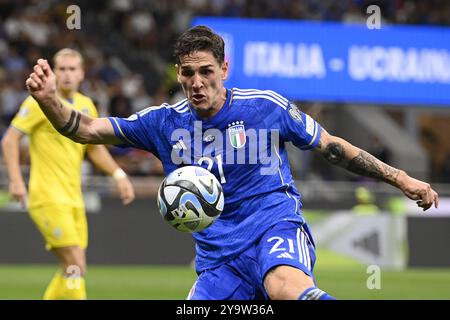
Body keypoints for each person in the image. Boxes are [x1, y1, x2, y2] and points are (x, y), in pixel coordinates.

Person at [24, 27, 439, 300]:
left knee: (283, 288)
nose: (197, 82)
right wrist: (48, 101)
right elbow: (87, 129)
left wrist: (401, 178)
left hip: (273, 228)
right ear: (178, 73)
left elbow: (332, 147)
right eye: (188, 73)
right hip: (219, 260)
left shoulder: (266, 108)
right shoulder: (163, 123)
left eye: (207, 71)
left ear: (225, 68)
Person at [1, 48, 135, 300]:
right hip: (47, 197)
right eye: (61, 69)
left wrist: (118, 174)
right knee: (76, 264)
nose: (66, 74)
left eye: (72, 69)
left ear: (82, 73)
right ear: (53, 72)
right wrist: (16, 181)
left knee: (71, 269)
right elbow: (9, 140)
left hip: (74, 199)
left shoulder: (85, 105)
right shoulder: (40, 101)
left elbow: (94, 150)